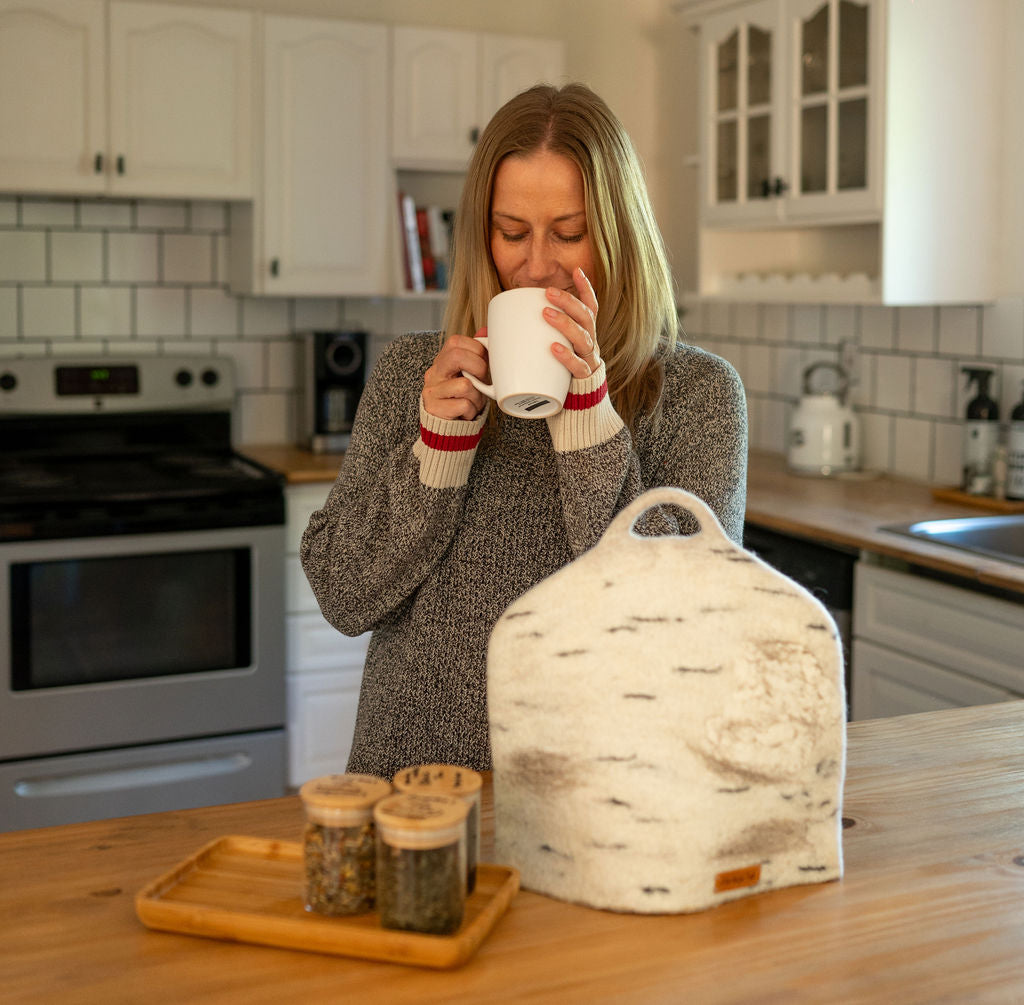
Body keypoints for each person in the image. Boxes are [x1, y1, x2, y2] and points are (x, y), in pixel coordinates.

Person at [301, 83, 747, 780]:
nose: (536, 264)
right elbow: (344, 594)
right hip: (413, 795)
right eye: (512, 232)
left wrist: (590, 423)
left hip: (603, 798)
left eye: (568, 233)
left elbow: (688, 630)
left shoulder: (698, 394)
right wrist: (436, 452)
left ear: (620, 236)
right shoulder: (412, 375)